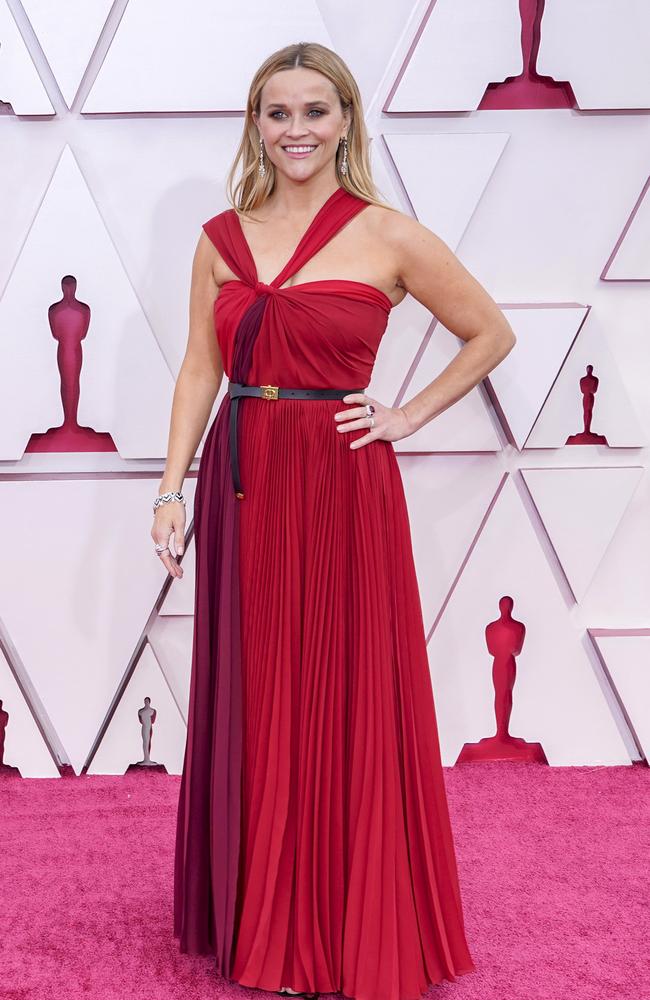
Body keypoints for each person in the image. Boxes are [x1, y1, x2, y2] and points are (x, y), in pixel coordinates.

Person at [154, 41, 515, 1000]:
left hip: (342, 483)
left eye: (317, 111)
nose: (298, 130)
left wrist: (405, 414)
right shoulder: (221, 238)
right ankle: (268, 924)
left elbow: (491, 331)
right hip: (244, 482)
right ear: (256, 125)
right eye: (279, 113)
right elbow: (201, 367)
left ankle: (342, 927)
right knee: (262, 694)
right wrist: (169, 486)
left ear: (348, 119)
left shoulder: (390, 234)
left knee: (341, 692)